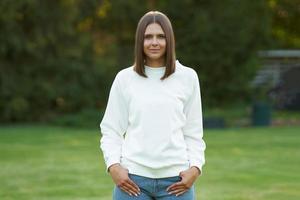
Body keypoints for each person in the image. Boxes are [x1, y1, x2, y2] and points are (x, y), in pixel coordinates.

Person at [100, 11, 206, 200]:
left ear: (170, 40)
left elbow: (193, 133)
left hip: (176, 183)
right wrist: (114, 166)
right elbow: (111, 130)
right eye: (148, 37)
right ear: (140, 41)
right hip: (132, 182)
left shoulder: (188, 77)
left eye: (161, 36)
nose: (154, 42)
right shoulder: (125, 79)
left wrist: (195, 168)